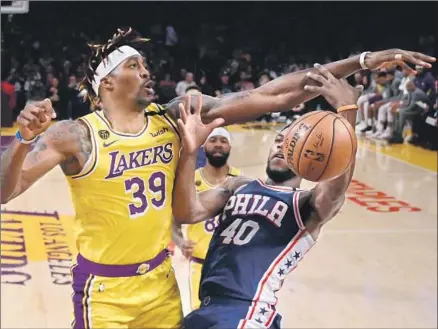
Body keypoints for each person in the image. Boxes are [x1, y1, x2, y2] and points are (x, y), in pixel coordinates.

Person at [0, 24, 434, 328]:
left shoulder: (174, 117)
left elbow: (273, 93)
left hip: (160, 282)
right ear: (106, 82)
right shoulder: (73, 136)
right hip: (103, 290)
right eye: (135, 66)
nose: (147, 72)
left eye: (146, 65)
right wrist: (21, 139)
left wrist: (363, 61)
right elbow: (6, 192)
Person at [171, 65, 376, 329]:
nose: (282, 146)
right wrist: (189, 152)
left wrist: (347, 113)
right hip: (207, 307)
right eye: (279, 140)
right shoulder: (237, 185)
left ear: (308, 155)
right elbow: (186, 212)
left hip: (248, 311)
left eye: (291, 142)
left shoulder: (307, 205)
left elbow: (336, 190)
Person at [172, 127, 242, 311]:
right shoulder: (189, 181)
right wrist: (180, 240)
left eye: (223, 140)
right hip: (199, 266)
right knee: (201, 315)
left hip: (232, 266)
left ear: (230, 147)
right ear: (204, 146)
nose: (218, 144)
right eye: (213, 140)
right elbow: (173, 218)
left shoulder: (241, 181)